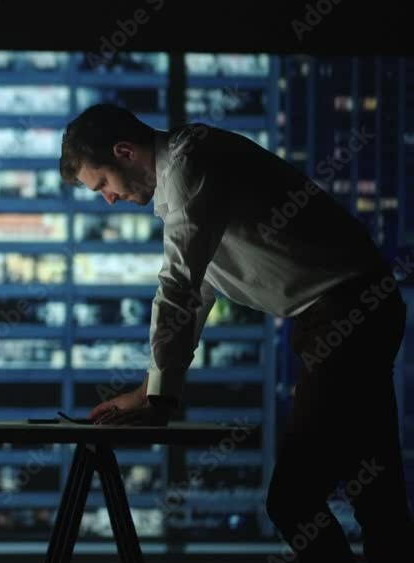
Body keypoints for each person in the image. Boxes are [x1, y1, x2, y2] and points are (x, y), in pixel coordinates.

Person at [59, 103, 412, 562]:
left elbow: (179, 286)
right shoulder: (185, 181)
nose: (107, 197)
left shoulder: (189, 164)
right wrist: (153, 388)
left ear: (125, 151)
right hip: (346, 315)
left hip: (346, 316)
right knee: (377, 499)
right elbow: (198, 294)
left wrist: (161, 398)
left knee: (293, 500)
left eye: (102, 183)